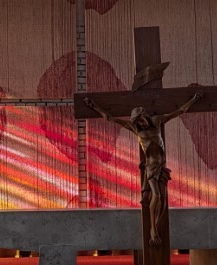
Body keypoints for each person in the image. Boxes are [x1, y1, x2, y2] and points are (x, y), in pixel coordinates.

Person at [85, 91, 203, 246]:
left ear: (145, 115)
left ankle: (156, 228)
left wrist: (194, 99)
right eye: (137, 122)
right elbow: (110, 118)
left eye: (140, 119)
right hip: (151, 167)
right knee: (157, 196)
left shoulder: (157, 121)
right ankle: (153, 230)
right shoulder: (135, 128)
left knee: (162, 200)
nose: (140, 123)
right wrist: (94, 106)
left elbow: (180, 111)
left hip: (161, 165)